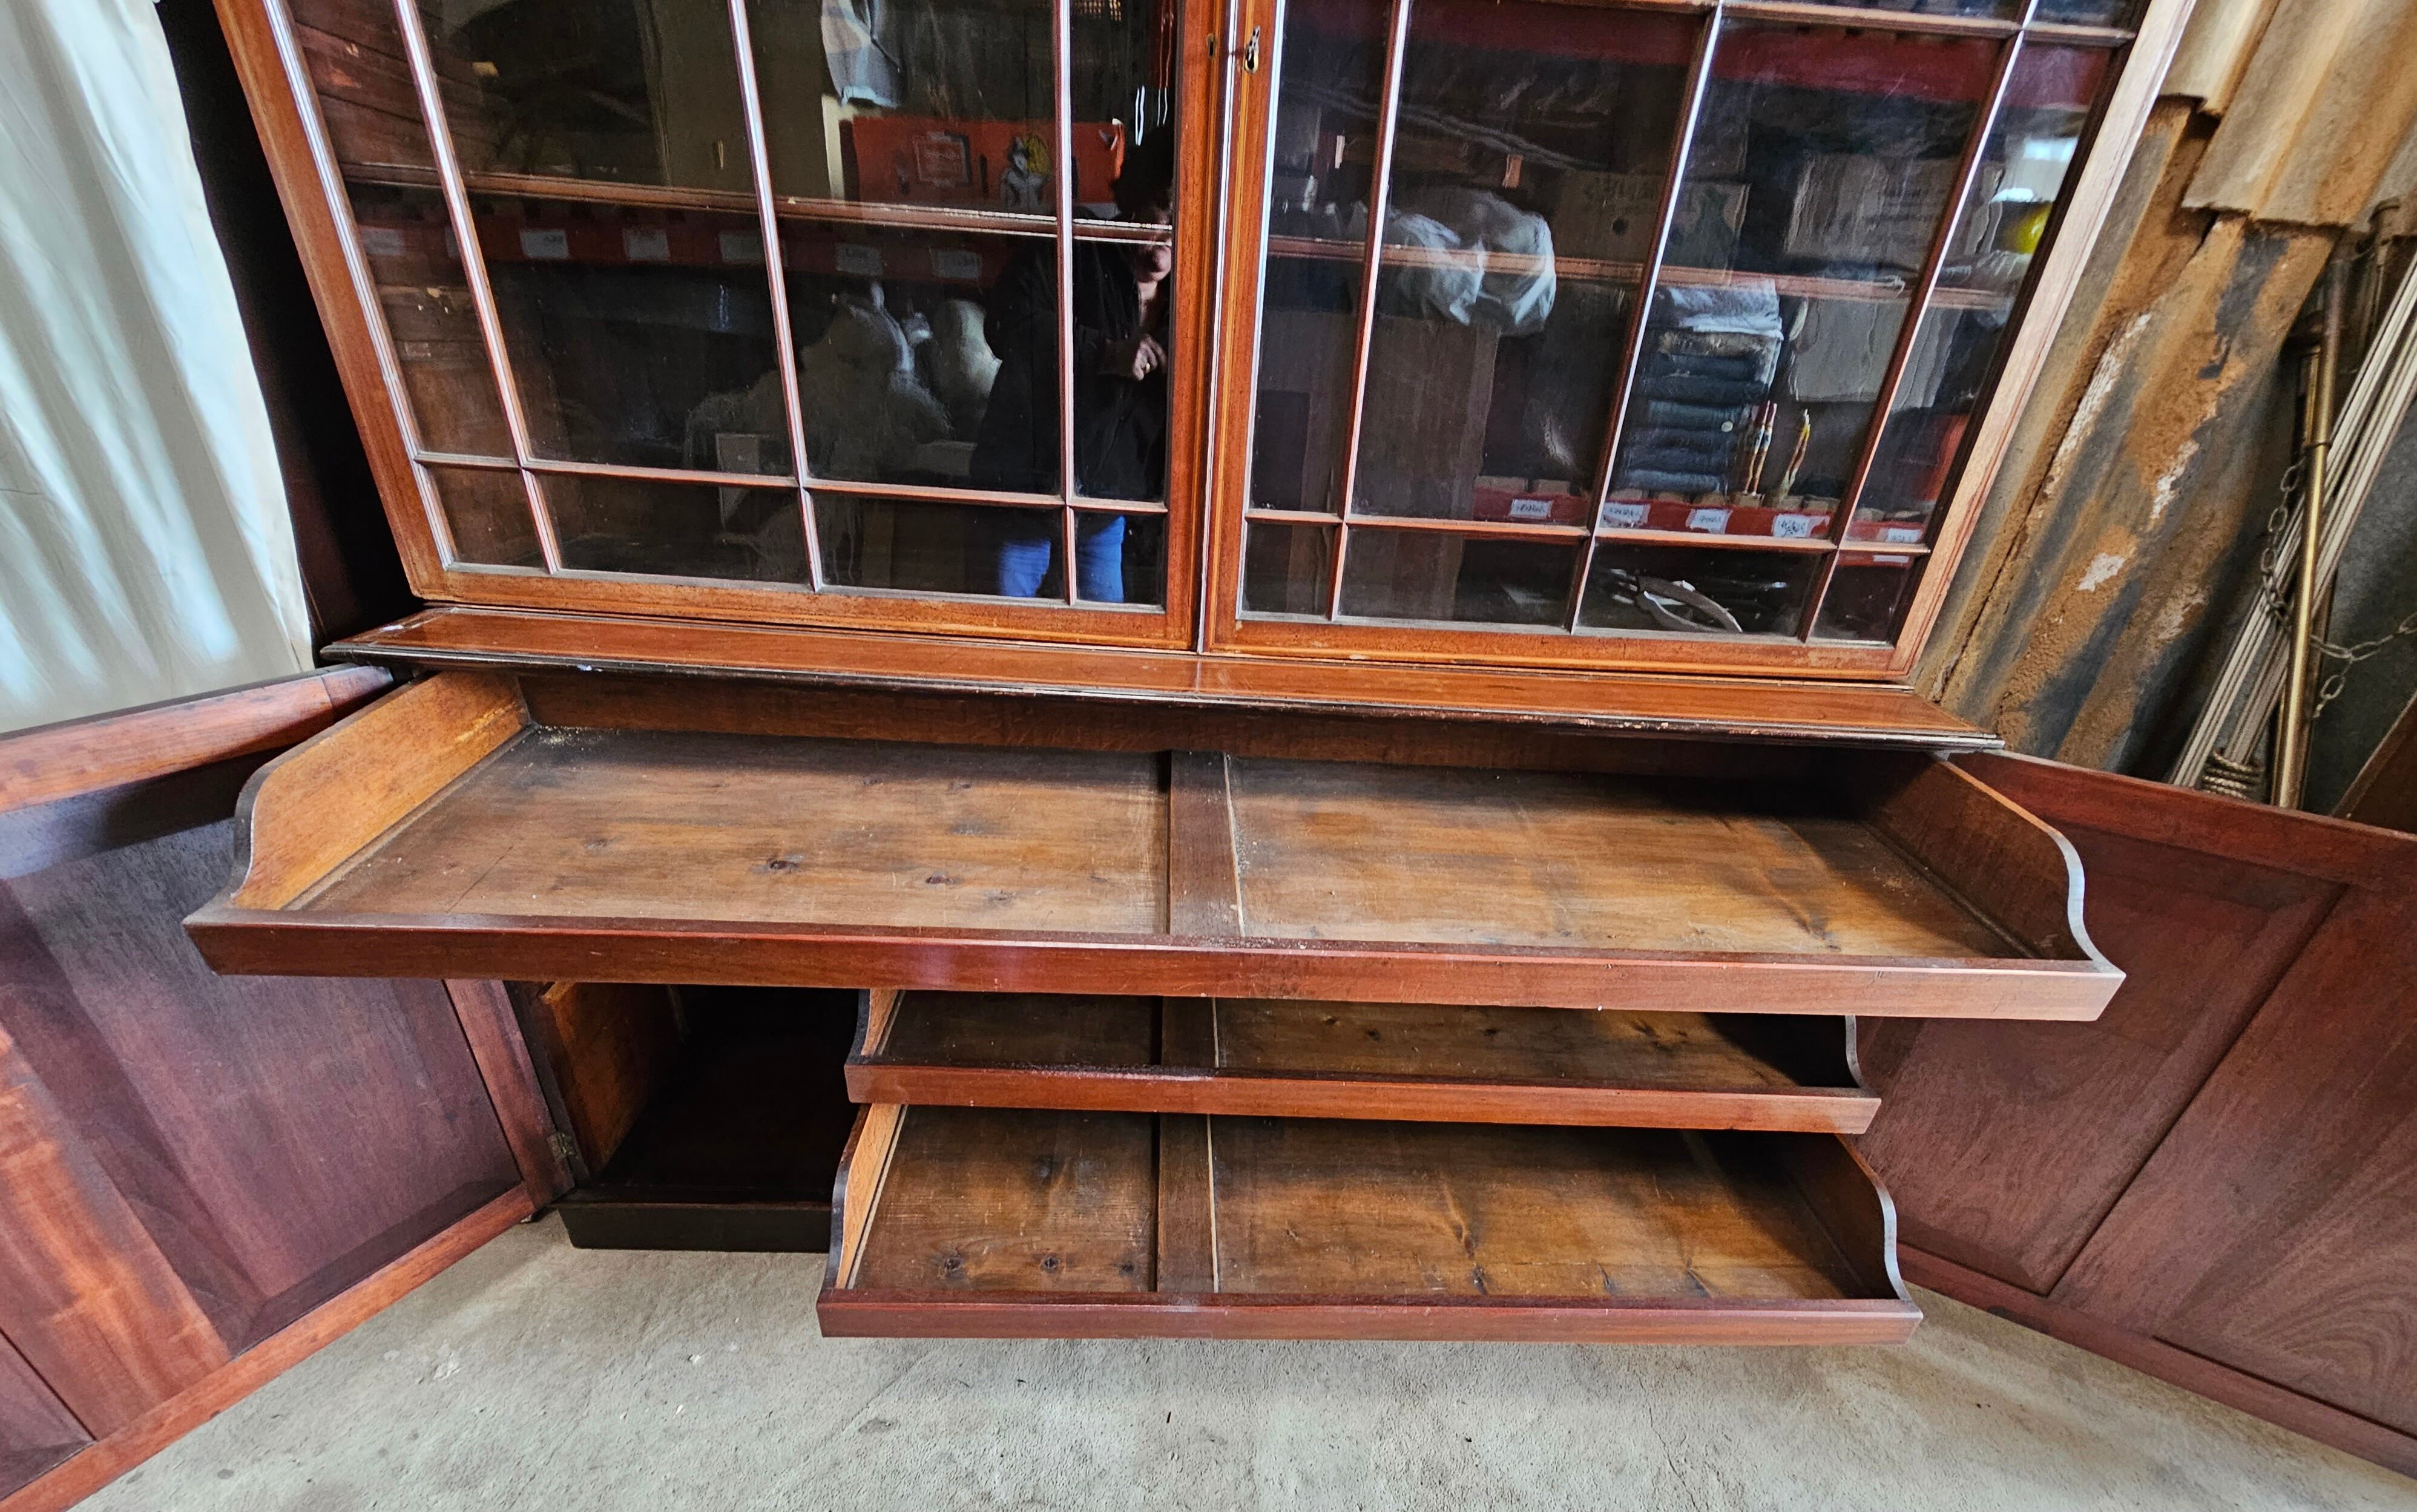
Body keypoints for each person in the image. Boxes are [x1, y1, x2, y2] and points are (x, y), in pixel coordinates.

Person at [970, 129, 1174, 603]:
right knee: (1000, 635)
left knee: (1103, 647)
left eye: (1189, 221)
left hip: (1107, 507)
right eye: (1162, 212)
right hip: (1025, 487)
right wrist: (1105, 353)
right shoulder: (1075, 242)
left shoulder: (1197, 294)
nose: (1168, 239)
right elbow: (1004, 324)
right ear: (1137, 200)